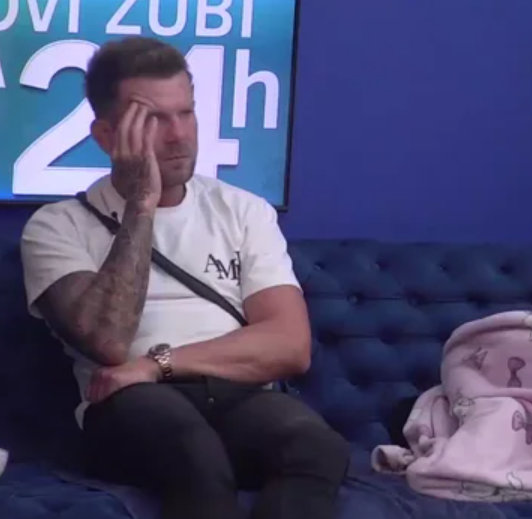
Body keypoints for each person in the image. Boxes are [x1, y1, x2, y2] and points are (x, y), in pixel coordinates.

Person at [19, 36, 349, 519]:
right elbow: (108, 342)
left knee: (317, 448)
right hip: (129, 407)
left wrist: (158, 364)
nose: (178, 135)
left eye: (186, 113)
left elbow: (290, 345)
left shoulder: (241, 211)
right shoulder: (57, 226)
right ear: (107, 136)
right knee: (195, 455)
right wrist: (142, 204)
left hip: (229, 391)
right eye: (153, 119)